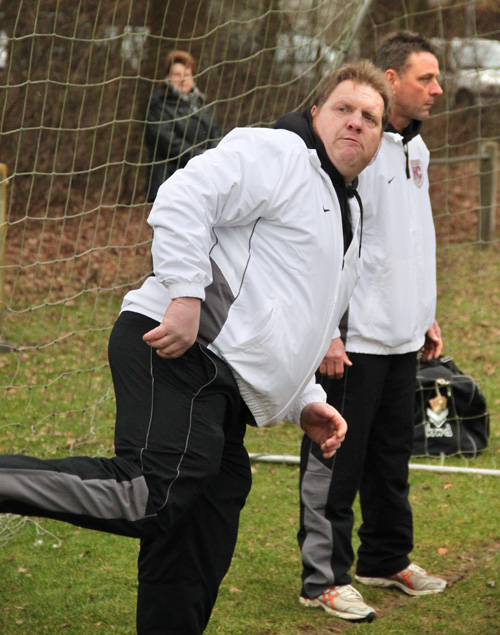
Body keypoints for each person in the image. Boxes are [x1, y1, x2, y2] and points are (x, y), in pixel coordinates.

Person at [0, 61, 392, 634]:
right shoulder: (279, 154)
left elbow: (297, 316)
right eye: (344, 109)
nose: (356, 123)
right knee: (154, 491)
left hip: (222, 385)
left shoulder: (348, 212)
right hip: (179, 347)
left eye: (371, 118)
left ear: (382, 138)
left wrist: (303, 399)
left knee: (204, 519)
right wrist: (185, 294)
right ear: (316, 114)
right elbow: (184, 194)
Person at [296, 31, 446, 623]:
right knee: (336, 460)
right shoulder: (350, 150)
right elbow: (329, 245)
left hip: (402, 335)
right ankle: (323, 578)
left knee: (391, 456)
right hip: (351, 341)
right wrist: (328, 330)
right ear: (389, 78)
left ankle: (386, 557)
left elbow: (409, 241)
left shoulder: (416, 149)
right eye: (425, 77)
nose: (437, 88)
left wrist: (425, 311)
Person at [144, 49, 222, 202]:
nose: (182, 79)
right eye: (177, 75)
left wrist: (212, 156)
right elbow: (166, 141)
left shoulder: (201, 103)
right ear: (168, 76)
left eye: (186, 75)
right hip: (169, 180)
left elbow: (215, 131)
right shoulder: (158, 103)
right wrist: (200, 156)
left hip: (201, 180)